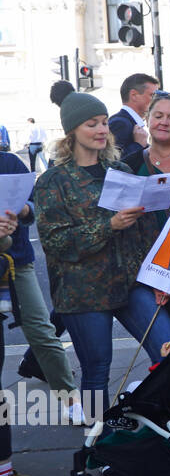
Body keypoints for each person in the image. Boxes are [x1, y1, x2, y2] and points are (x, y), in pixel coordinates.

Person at [33, 89, 170, 407]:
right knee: (97, 371)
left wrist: (159, 280)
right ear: (71, 131)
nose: (101, 130)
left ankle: (159, 426)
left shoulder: (121, 172)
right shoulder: (54, 181)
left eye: (104, 123)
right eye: (91, 124)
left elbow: (145, 235)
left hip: (131, 284)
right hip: (83, 292)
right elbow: (55, 242)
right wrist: (108, 226)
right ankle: (96, 445)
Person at [0, 150, 82, 423]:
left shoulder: (9, 162)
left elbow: (34, 205)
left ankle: (71, 401)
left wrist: (21, 211)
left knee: (41, 331)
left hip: (15, 263)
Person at [108, 73, 159, 163]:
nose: (156, 100)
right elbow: (113, 162)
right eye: (152, 95)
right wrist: (138, 145)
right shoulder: (120, 123)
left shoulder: (130, 122)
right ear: (134, 95)